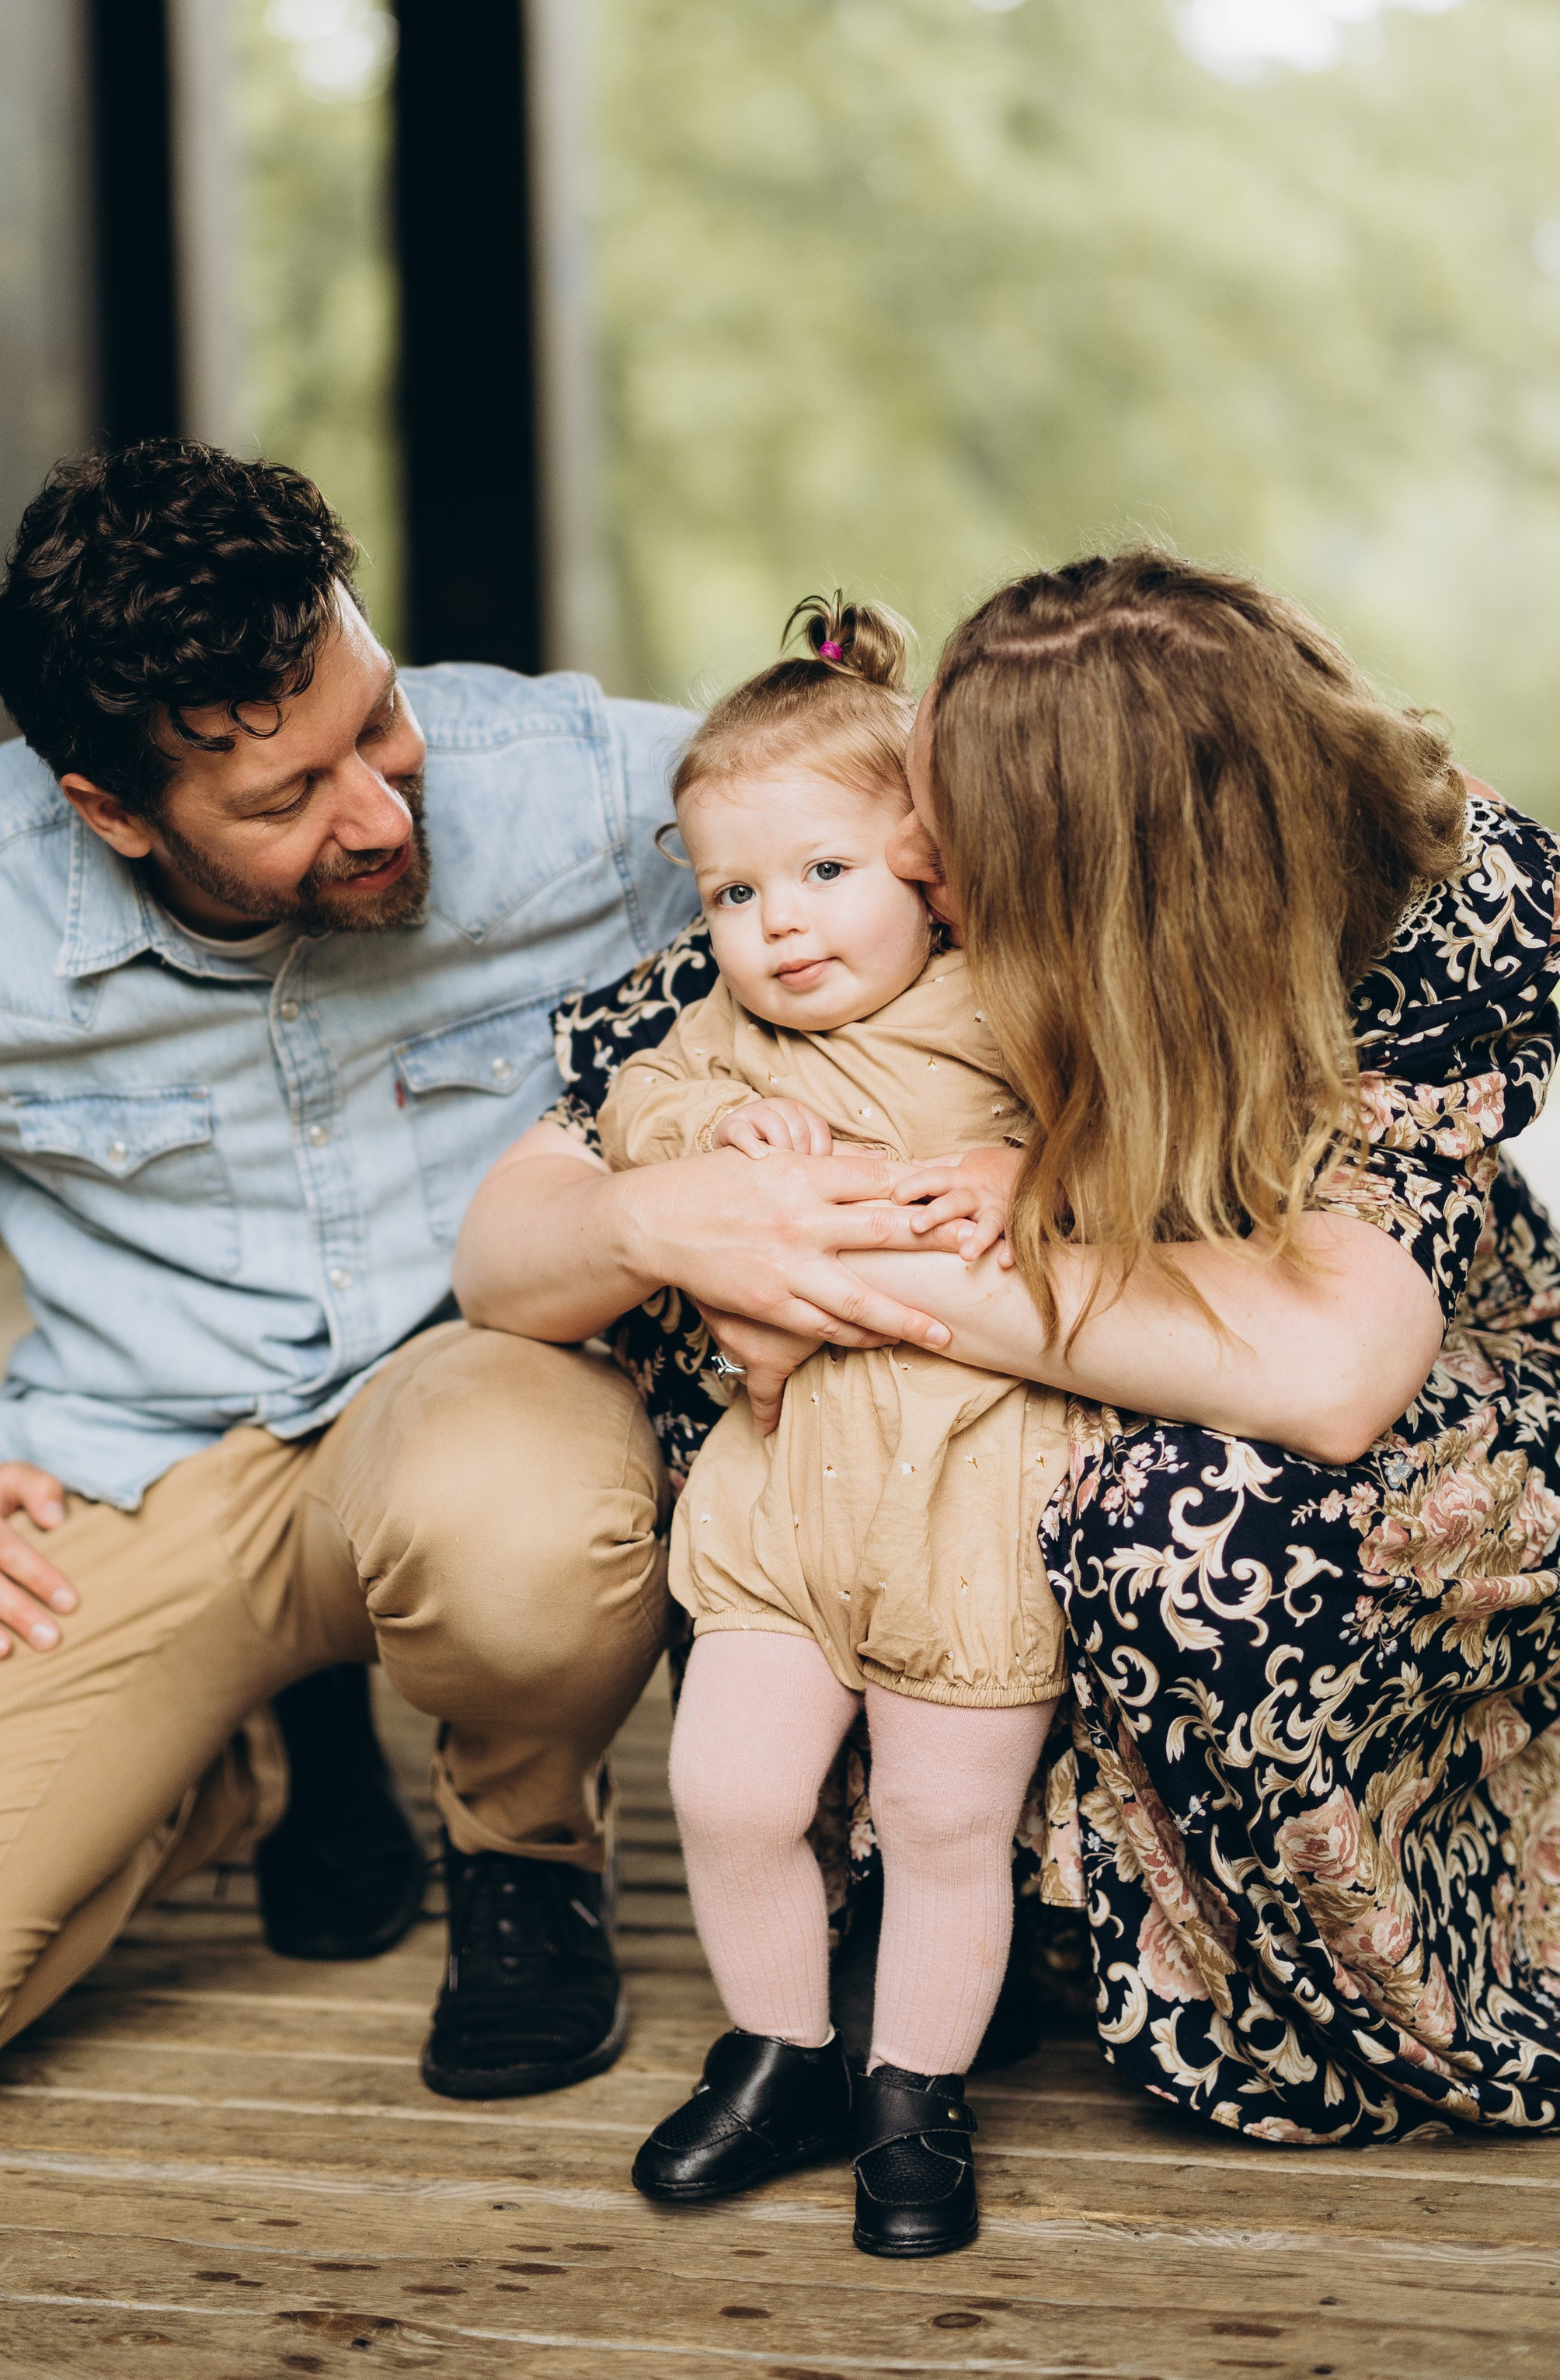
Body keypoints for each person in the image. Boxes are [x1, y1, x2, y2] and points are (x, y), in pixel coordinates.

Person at [0, 439, 703, 2130]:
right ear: (107, 811)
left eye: (378, 722)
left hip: (477, 1403)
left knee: (522, 1526)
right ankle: (237, 1768)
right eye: (286, 799)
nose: (380, 810)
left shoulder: (591, 790)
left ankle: (524, 1851)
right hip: (145, 1457)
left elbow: (910, 831)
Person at [458, 548, 1560, 2147]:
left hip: (1425, 1408)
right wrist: (665, 1222)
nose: (908, 863)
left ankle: (1237, 1955)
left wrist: (826, 1252)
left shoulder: (1428, 896)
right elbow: (512, 1243)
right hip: (917, 1455)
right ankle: (886, 1893)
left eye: (946, 838)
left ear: (1108, 873)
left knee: (1184, 1512)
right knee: (748, 1358)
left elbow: (1329, 1370)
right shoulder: (839, 907)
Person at [598, 600, 1063, 2259]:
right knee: (728, 1792)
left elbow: (1129, 1135)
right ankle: (780, 2051)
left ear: (931, 871)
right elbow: (632, 1107)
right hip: (779, 1495)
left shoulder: (1005, 1005)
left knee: (944, 1824)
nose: (776, 923)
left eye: (821, 872)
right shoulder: (726, 1039)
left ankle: (910, 2096)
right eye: (731, 894)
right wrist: (717, 1131)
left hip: (961, 1493)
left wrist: (1024, 1168)